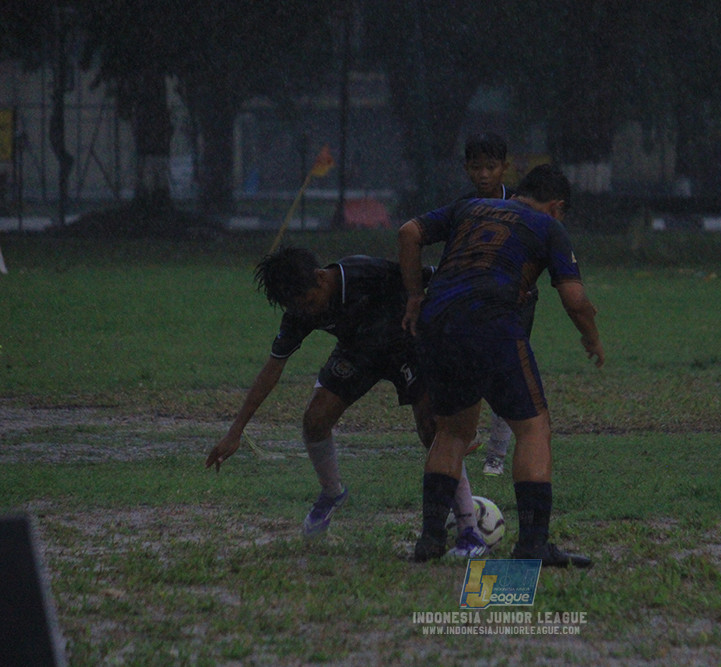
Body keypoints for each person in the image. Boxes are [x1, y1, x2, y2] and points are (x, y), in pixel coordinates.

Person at [204, 247, 487, 557]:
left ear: (321, 277)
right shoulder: (300, 310)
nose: (308, 312)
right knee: (315, 420)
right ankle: (331, 494)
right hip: (359, 354)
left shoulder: (365, 272)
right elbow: (273, 368)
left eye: (311, 303)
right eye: (300, 308)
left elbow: (431, 276)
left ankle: (470, 531)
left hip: (410, 347)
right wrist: (236, 430)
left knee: (434, 432)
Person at [399, 163, 605, 567]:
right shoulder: (549, 227)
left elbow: (408, 232)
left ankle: (429, 540)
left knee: (453, 431)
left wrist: (412, 296)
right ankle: (533, 544)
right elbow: (575, 299)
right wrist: (592, 337)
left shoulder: (472, 207)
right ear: (557, 206)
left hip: (437, 321)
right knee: (533, 427)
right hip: (490, 320)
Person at [459, 132, 528, 477]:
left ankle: (496, 456)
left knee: (504, 374)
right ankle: (465, 436)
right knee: (470, 370)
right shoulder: (463, 209)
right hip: (474, 305)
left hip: (515, 304)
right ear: (467, 170)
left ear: (505, 167)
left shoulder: (521, 208)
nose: (483, 174)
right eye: (476, 168)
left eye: (490, 167)